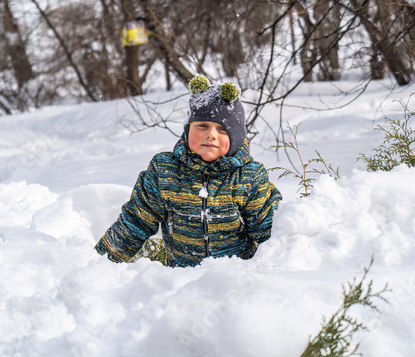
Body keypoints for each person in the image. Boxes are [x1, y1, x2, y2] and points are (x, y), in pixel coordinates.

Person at [95, 75, 282, 267]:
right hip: (180, 280)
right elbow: (136, 221)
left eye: (222, 129)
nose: (211, 134)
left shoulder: (249, 176)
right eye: (202, 126)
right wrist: (99, 263)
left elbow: (271, 229)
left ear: (236, 137)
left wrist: (286, 264)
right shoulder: (165, 171)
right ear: (187, 130)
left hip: (235, 278)